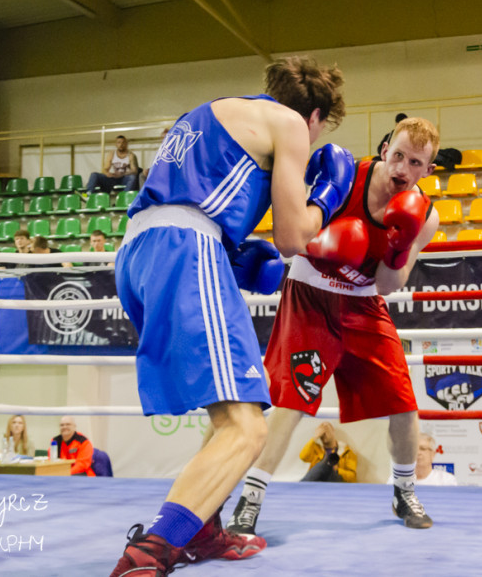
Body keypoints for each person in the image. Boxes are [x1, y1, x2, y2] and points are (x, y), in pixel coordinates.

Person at [108, 55, 351, 574]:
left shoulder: (208, 113)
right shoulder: (289, 124)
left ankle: (203, 527)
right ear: (315, 116)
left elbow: (188, 202)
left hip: (138, 254)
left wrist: (237, 257)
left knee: (235, 405)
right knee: (247, 428)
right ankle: (152, 551)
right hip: (183, 250)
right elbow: (292, 237)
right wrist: (327, 199)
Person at [227, 116, 441, 538]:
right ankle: (249, 500)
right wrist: (323, 245)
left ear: (428, 170)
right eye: (397, 156)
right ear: (385, 151)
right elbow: (291, 231)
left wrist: (398, 248)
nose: (402, 169)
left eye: (415, 163)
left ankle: (404, 490)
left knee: (402, 403)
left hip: (365, 304)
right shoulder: (344, 179)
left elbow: (388, 284)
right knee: (291, 399)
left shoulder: (426, 216)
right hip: (310, 294)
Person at [386, 432, 458, 486]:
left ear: (432, 454)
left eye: (423, 449)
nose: (418, 453)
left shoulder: (446, 480)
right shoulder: (396, 480)